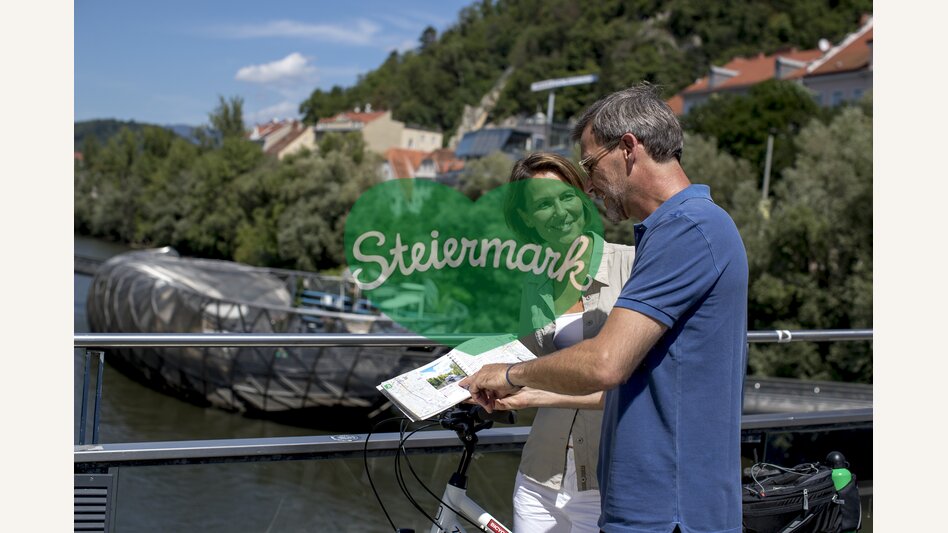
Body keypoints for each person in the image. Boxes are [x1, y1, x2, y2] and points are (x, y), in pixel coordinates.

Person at [460, 83, 748, 533]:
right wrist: (529, 392)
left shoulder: (688, 229)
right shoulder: (667, 230)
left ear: (628, 148)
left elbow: (607, 363)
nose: (590, 185)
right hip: (637, 498)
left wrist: (511, 375)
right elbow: (649, 377)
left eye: (591, 166)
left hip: (667, 509)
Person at [500, 152, 635, 533]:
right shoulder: (533, 281)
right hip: (538, 477)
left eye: (566, 197)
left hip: (608, 481)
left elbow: (636, 383)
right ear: (527, 218)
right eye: (543, 204)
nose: (560, 212)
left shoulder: (633, 265)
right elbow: (527, 364)